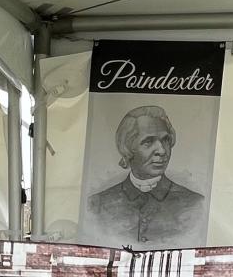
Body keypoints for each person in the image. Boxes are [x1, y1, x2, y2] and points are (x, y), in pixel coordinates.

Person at [84, 105, 208, 248]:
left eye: (166, 140)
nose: (162, 151)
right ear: (127, 148)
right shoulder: (97, 205)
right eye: (148, 142)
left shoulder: (195, 204)